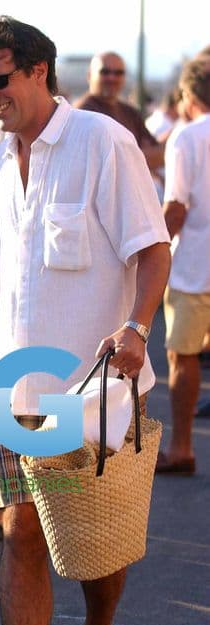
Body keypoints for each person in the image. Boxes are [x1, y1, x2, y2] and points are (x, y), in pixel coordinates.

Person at [0, 16, 171, 625]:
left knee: (92, 542)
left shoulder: (101, 142)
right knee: (19, 530)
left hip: (88, 386)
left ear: (39, 71)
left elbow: (152, 247)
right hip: (10, 385)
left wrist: (139, 327)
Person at [156, 59, 210, 474]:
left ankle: (181, 448)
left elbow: (175, 207)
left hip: (195, 264)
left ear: (188, 96)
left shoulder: (187, 136)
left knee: (183, 356)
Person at [74, 51, 164, 172]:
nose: (112, 78)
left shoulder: (130, 112)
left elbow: (156, 154)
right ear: (89, 75)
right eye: (105, 72)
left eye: (118, 73)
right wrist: (141, 157)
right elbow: (110, 165)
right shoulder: (81, 114)